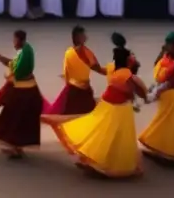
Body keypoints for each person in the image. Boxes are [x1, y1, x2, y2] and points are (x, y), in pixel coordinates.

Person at [44, 33, 147, 178]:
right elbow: (141, 92)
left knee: (100, 133)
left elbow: (98, 69)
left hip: (106, 105)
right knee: (117, 137)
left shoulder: (112, 68)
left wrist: (85, 56)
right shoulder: (128, 75)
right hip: (121, 109)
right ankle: (107, 163)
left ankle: (91, 159)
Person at [139, 31, 174, 164]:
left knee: (165, 121)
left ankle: (157, 146)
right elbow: (171, 80)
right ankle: (168, 150)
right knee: (173, 124)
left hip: (169, 94)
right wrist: (157, 92)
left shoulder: (167, 57)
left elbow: (158, 69)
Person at [0, 29, 42, 157]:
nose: (13, 42)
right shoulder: (26, 50)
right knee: (21, 120)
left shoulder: (24, 54)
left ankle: (14, 147)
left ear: (20, 40)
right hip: (31, 91)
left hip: (22, 93)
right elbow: (7, 62)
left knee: (10, 119)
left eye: (14, 40)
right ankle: (17, 147)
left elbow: (16, 72)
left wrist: (9, 79)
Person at [44, 25, 103, 117]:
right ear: (78, 38)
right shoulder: (87, 53)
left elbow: (66, 71)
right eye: (83, 35)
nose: (86, 37)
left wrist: (67, 87)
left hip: (72, 90)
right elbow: (98, 68)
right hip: (83, 91)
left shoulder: (69, 52)